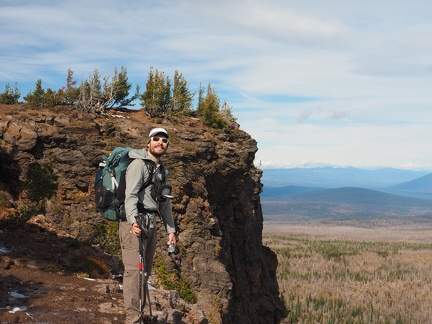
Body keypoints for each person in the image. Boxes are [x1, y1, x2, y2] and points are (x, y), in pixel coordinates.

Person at [119, 127, 177, 323]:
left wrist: (171, 230)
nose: (160, 143)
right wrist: (133, 220)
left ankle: (139, 316)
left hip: (150, 224)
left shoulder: (161, 170)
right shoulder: (138, 165)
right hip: (135, 225)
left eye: (164, 140)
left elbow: (165, 203)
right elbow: (130, 196)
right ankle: (133, 320)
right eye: (157, 139)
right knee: (135, 273)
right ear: (149, 142)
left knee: (145, 272)